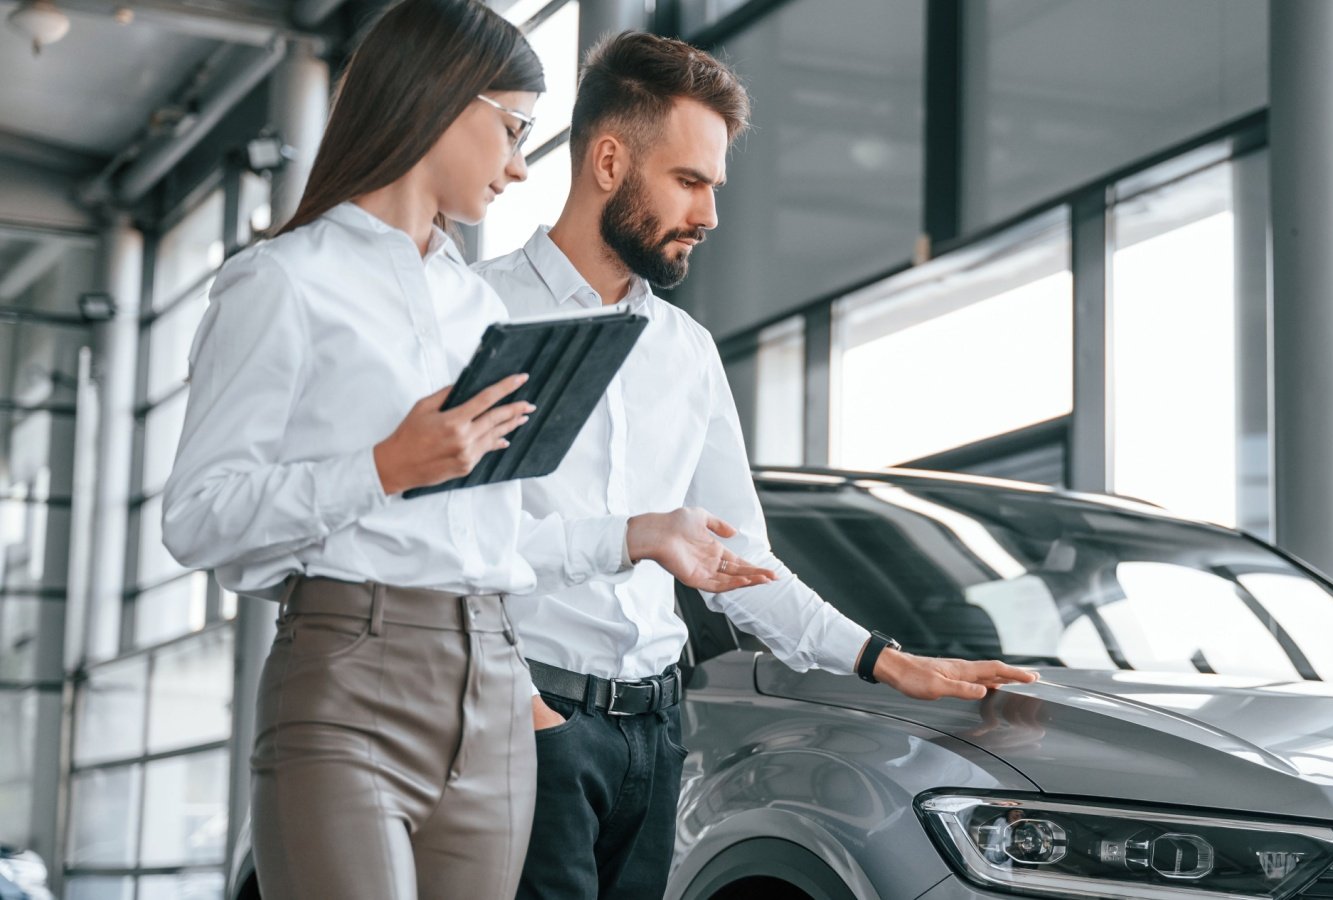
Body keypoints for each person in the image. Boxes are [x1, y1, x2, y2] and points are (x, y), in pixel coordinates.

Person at [161, 6, 774, 899]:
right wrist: (382, 467)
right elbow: (198, 520)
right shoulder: (282, 281)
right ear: (441, 103)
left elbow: (499, 543)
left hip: (496, 687)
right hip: (348, 669)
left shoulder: (480, 313)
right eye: (515, 129)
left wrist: (553, 686)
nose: (523, 164)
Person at [475, 31, 1038, 900]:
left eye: (714, 187)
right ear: (610, 159)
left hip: (656, 740)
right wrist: (530, 707)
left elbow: (739, 563)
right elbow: (450, 540)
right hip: (524, 722)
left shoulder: (685, 352)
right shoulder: (478, 317)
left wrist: (886, 660)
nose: (708, 215)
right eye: (689, 181)